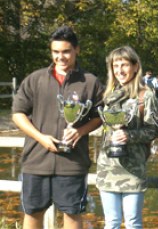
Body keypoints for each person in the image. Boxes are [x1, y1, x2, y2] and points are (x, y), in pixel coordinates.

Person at [11, 26, 104, 229]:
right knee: (33, 214)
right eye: (56, 52)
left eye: (66, 51)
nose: (60, 57)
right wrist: (41, 137)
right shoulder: (35, 79)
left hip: (73, 163)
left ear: (77, 50)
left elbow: (100, 117)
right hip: (36, 161)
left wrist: (80, 131)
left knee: (72, 215)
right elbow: (18, 114)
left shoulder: (90, 82)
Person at [96, 46, 158, 229]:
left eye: (124, 65)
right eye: (115, 66)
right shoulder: (108, 95)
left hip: (133, 170)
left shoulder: (145, 96)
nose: (120, 70)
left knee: (133, 223)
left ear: (135, 66)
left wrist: (129, 135)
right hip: (107, 168)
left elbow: (154, 130)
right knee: (112, 223)